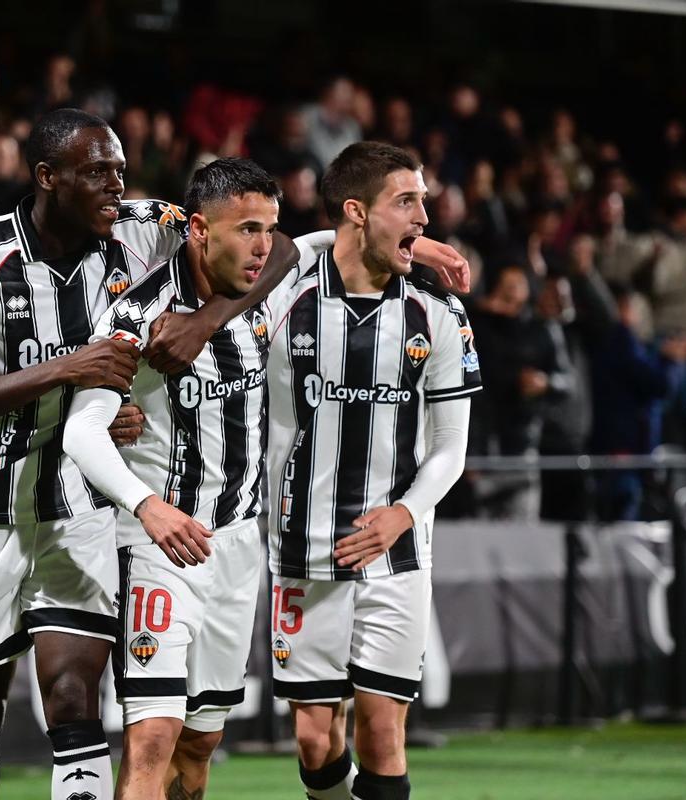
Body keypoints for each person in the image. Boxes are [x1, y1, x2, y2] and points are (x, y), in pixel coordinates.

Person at [0, 109, 303, 800]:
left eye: (120, 170)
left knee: (74, 699)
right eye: (97, 172)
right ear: (47, 177)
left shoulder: (144, 224)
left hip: (82, 510)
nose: (114, 187)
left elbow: (271, 245)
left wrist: (205, 321)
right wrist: (67, 371)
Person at [62, 157, 302, 799]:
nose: (262, 245)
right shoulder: (139, 318)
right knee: (151, 739)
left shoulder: (263, 285)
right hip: (160, 547)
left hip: (237, 546)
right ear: (197, 229)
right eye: (247, 229)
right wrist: (148, 508)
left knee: (199, 746)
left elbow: (318, 244)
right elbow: (82, 431)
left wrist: (423, 246)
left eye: (268, 229)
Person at [266, 142, 481, 800]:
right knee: (313, 737)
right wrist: (330, 234)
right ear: (356, 213)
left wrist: (403, 514)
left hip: (398, 551)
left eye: (424, 201)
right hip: (303, 548)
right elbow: (274, 250)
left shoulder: (438, 316)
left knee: (383, 730)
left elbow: (451, 448)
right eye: (407, 202)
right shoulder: (282, 300)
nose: (424, 216)